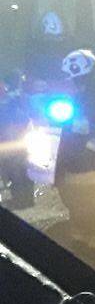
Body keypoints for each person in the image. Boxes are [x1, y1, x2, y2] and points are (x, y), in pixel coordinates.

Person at [55, 50, 95, 249]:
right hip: (80, 168)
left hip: (93, 169)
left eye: (71, 77)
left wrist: (79, 155)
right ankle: (82, 243)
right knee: (78, 206)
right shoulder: (81, 99)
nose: (68, 81)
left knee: (93, 207)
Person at [0, 68, 34, 209]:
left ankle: (23, 200)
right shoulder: (14, 100)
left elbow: (24, 118)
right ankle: (22, 199)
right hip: (12, 140)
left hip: (14, 140)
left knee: (18, 170)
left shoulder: (15, 100)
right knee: (15, 171)